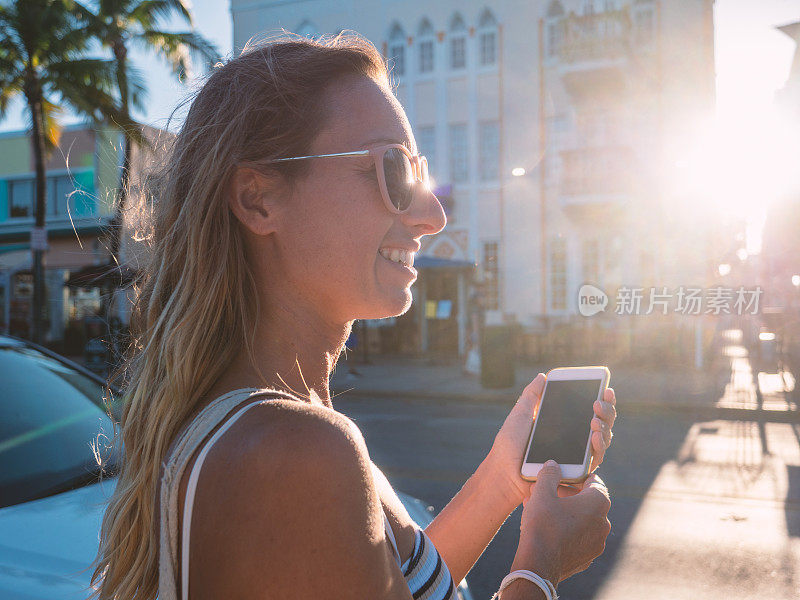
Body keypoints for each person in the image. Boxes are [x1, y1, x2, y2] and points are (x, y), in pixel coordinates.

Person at [90, 32, 617, 600]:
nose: (433, 213)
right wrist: (539, 566)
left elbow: (392, 585)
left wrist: (501, 479)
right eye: (392, 171)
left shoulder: (282, 429)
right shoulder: (297, 454)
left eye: (418, 172)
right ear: (258, 199)